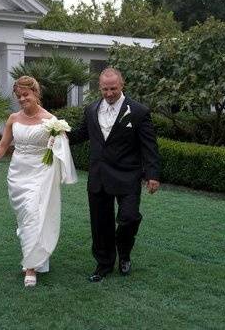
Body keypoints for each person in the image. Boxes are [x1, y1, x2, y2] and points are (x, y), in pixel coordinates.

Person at [0, 76, 76, 287]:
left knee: (34, 214)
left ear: (36, 94)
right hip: (18, 173)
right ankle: (36, 254)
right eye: (19, 96)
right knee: (26, 219)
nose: (22, 99)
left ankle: (30, 267)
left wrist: (56, 141)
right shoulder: (13, 118)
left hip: (41, 173)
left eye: (26, 95)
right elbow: (3, 146)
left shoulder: (50, 120)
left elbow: (62, 147)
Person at [68, 67, 161, 282]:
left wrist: (153, 175)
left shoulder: (138, 111)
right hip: (99, 175)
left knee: (128, 218)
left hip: (128, 176)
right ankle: (104, 264)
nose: (109, 93)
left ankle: (125, 252)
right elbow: (81, 134)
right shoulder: (91, 109)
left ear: (122, 85)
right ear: (99, 88)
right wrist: (57, 131)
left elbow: (149, 147)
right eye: (105, 89)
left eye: (113, 89)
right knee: (100, 224)